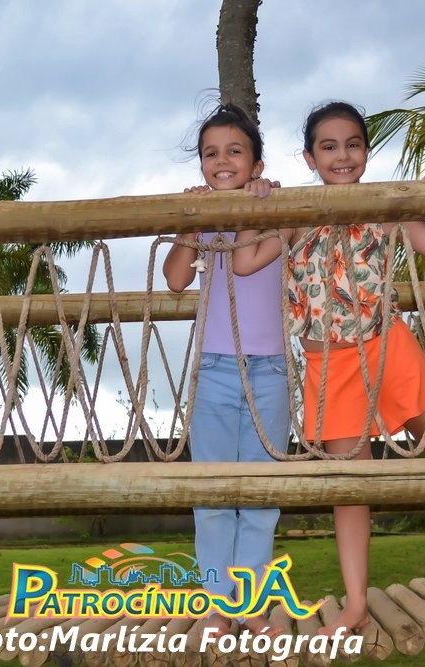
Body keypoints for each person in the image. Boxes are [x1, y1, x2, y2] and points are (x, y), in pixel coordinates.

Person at [232, 101, 425, 635]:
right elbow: (245, 261)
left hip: (387, 347)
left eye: (353, 144)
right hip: (329, 364)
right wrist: (260, 202)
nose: (342, 155)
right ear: (310, 157)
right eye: (328, 146)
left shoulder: (388, 207)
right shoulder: (294, 214)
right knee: (351, 482)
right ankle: (356, 604)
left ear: (366, 152)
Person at [162, 103, 290, 638]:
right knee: (212, 495)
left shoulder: (281, 212)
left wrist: (263, 205)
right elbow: (175, 279)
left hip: (270, 370)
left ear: (257, 165)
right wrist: (191, 222)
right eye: (211, 153)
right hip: (214, 369)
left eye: (235, 152)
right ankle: (217, 603)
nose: (222, 161)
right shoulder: (204, 221)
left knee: (261, 495)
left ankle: (252, 604)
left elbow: (250, 257)